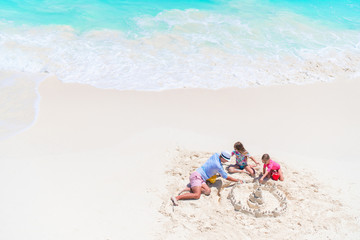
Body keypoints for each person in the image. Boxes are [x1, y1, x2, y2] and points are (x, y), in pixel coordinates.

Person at [171, 151, 241, 206]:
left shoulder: (216, 155)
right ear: (223, 158)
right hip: (197, 177)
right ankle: (177, 197)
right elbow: (226, 177)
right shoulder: (218, 166)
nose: (227, 161)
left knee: (207, 191)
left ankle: (190, 188)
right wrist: (237, 180)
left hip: (201, 178)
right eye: (226, 160)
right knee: (197, 195)